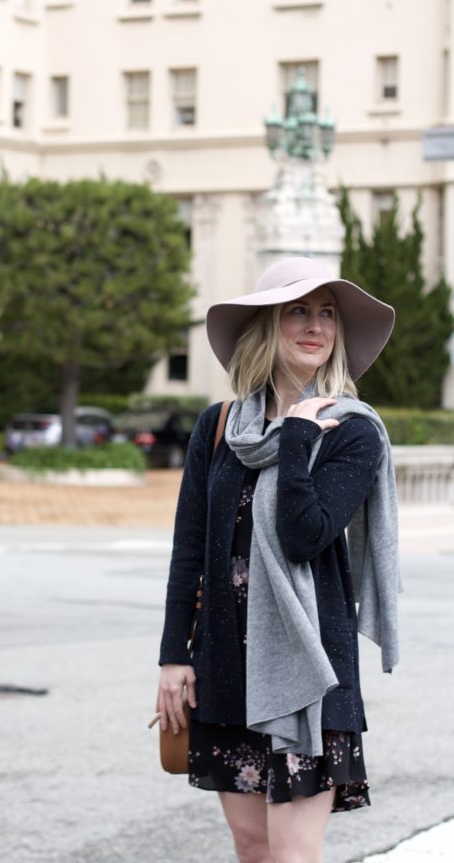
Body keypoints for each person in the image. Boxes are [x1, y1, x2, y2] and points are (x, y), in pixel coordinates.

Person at [156, 257, 400, 863]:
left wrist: (296, 437)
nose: (315, 326)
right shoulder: (218, 427)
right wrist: (172, 656)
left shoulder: (351, 432)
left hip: (307, 671)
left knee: (292, 854)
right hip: (225, 664)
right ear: (267, 324)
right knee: (252, 846)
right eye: (298, 311)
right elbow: (190, 548)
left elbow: (304, 535)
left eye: (326, 314)